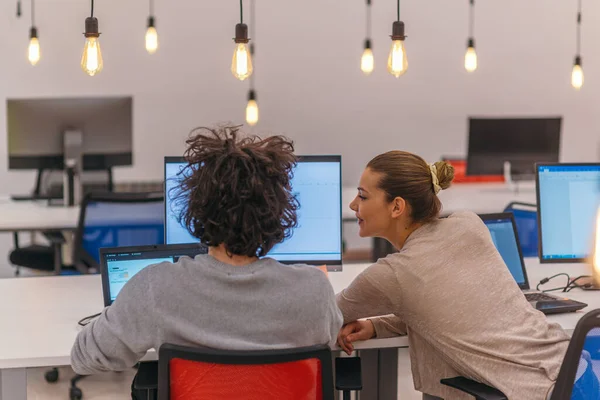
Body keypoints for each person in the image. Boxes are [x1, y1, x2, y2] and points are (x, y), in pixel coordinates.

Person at [70, 126, 342, 393]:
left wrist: (121, 314)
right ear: (278, 214)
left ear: (196, 210)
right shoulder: (314, 289)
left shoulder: (155, 287)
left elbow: (84, 357)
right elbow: (330, 335)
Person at [336, 150, 570, 400]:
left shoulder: (391, 275)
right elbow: (446, 310)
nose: (353, 205)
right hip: (573, 368)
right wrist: (376, 326)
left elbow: (321, 316)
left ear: (397, 207)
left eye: (362, 196)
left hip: (534, 393)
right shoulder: (469, 224)